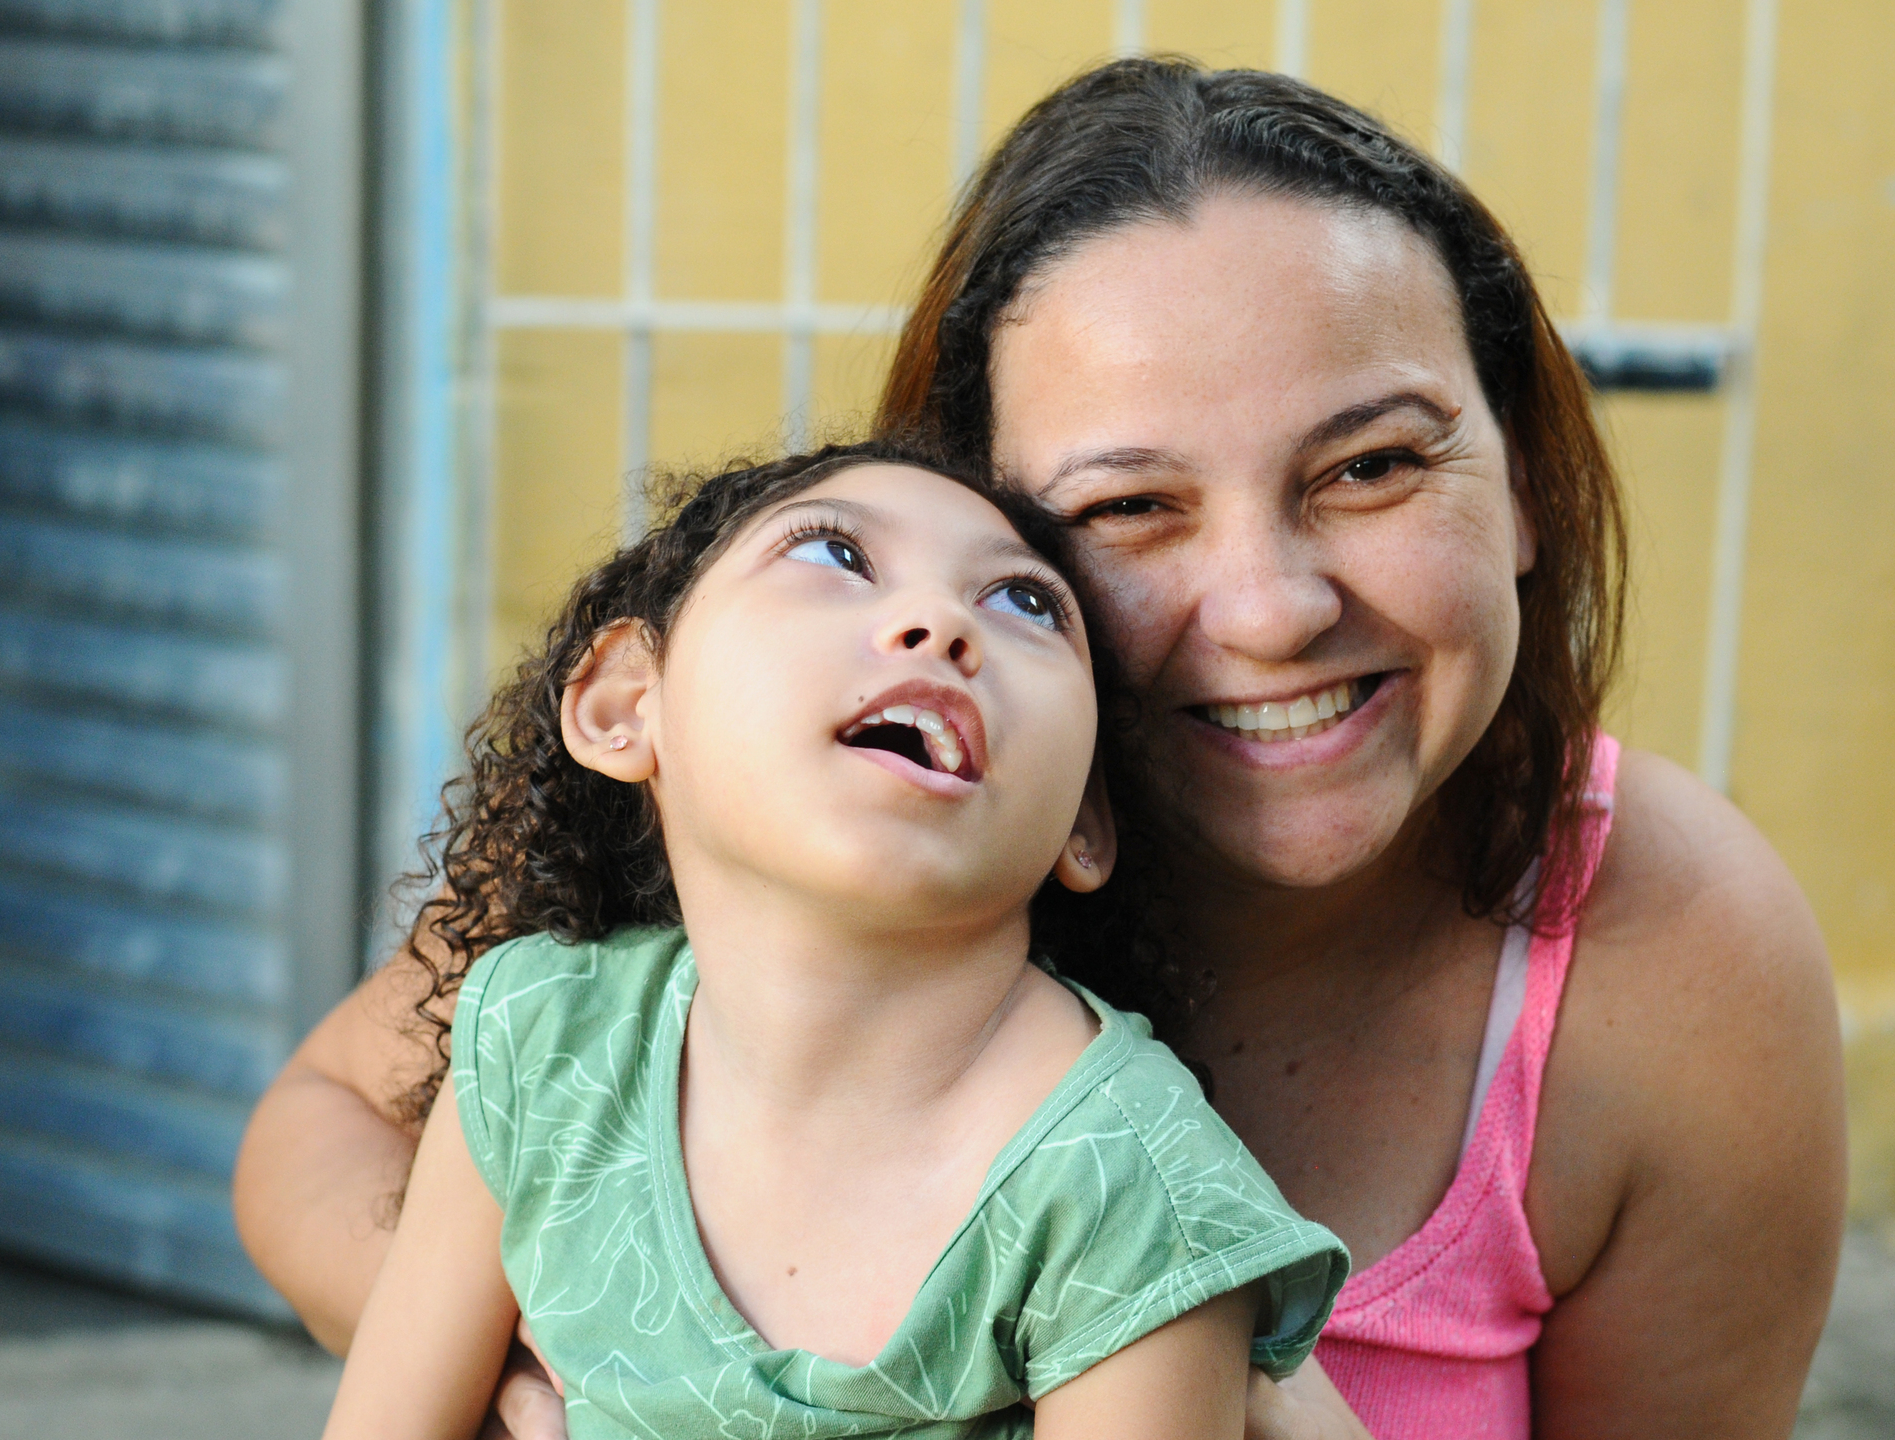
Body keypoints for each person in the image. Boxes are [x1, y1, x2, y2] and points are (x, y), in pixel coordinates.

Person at [236, 59, 1845, 1440]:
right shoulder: (783, 855)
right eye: (1128, 509)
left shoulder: (1670, 955)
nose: (1274, 609)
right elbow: (324, 1122)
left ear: (1526, 496)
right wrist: (559, 1344)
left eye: (1368, 467)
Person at [314, 442, 1348, 1440]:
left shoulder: (1131, 1183)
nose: (940, 623)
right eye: (836, 556)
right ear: (628, 703)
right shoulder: (541, 1041)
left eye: (1026, 603)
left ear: (1081, 823)